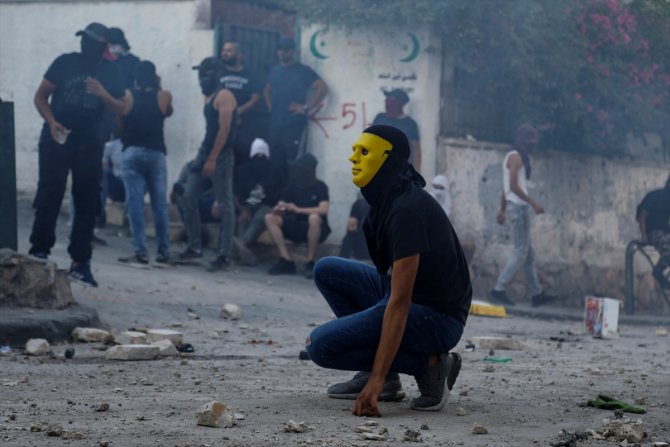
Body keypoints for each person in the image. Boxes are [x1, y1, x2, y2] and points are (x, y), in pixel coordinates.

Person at [306, 125, 471, 416]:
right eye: (355, 151)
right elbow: (391, 283)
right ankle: (387, 378)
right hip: (411, 299)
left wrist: (376, 377)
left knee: (321, 346)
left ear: (388, 160)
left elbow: (399, 302)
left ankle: (431, 366)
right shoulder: (384, 202)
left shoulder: (406, 210)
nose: (353, 159)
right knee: (327, 270)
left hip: (438, 317)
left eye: (365, 152)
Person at [28, 22, 125, 287]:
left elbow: (122, 108)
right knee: (50, 192)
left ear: (102, 45)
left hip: (90, 142)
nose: (87, 45)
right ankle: (39, 252)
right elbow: (40, 97)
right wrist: (51, 122)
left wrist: (102, 93)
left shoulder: (110, 71)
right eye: (84, 39)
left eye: (93, 41)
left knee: (87, 200)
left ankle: (81, 262)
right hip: (58, 138)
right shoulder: (64, 63)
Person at [179, 57, 237, 272]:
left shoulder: (224, 95)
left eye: (206, 72)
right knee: (188, 196)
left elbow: (224, 129)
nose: (202, 77)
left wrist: (212, 158)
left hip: (220, 155)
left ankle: (224, 255)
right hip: (205, 152)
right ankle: (195, 247)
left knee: (225, 205)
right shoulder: (210, 95)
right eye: (201, 72)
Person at [489, 124, 555, 307]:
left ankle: (536, 294)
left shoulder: (512, 156)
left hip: (514, 207)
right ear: (525, 140)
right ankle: (498, 289)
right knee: (521, 251)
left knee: (529, 255)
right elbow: (513, 186)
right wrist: (533, 203)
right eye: (532, 139)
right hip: (519, 208)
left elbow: (505, 188)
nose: (534, 143)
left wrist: (502, 209)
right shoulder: (516, 158)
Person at [116, 61, 174, 266]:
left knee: (135, 204)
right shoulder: (164, 95)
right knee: (159, 205)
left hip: (133, 151)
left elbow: (121, 123)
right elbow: (168, 111)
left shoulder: (127, 96)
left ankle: (140, 252)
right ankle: (163, 252)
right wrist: (158, 85)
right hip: (156, 153)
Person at [264, 37, 329, 177]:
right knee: (275, 161)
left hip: (294, 124)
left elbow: (322, 88)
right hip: (275, 124)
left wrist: (306, 107)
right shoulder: (274, 70)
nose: (282, 52)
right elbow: (266, 89)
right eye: (279, 49)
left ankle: (291, 195)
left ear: (292, 52)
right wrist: (270, 106)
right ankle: (276, 196)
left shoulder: (303, 71)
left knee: (293, 162)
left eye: (285, 49)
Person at [264, 153, 331, 278]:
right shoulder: (292, 187)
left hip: (315, 228)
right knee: (269, 218)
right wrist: (279, 209)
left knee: (314, 217)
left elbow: (323, 209)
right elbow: (280, 204)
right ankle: (286, 260)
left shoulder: (320, 187)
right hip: (295, 226)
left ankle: (310, 261)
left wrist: (298, 209)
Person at [232, 138, 282, 265]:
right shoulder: (243, 171)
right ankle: (244, 251)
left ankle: (241, 245)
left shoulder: (274, 171)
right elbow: (236, 195)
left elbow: (278, 194)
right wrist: (241, 210)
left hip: (266, 205)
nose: (259, 159)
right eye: (257, 156)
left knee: (261, 217)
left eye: (262, 156)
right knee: (243, 219)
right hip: (246, 205)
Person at [219, 41, 264, 167]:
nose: (224, 53)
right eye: (224, 50)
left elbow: (255, 97)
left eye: (229, 51)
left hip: (243, 127)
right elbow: (208, 97)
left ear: (240, 55)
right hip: (221, 126)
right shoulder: (218, 73)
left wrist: (239, 111)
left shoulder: (250, 75)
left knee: (241, 160)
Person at [372, 89, 421, 172]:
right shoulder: (380, 118)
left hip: (400, 172)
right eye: (387, 99)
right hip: (378, 168)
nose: (387, 102)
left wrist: (415, 173)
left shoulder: (410, 124)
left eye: (391, 99)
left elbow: (416, 149)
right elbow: (369, 140)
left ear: (399, 104)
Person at [636, 174, 670, 287]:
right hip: (653, 231)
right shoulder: (655, 196)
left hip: (664, 231)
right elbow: (642, 216)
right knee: (666, 249)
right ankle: (659, 273)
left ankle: (663, 274)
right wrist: (644, 237)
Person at [338, 193, 370, 260]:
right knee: (349, 237)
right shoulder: (360, 204)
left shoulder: (387, 204)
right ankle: (341, 263)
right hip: (362, 236)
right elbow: (350, 227)